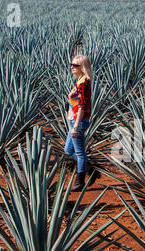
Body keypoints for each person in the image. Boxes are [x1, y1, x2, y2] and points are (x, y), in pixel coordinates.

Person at [64, 55, 92, 191]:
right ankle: (87, 166)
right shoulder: (81, 81)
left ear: (83, 67)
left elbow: (82, 106)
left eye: (75, 65)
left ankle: (79, 182)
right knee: (68, 150)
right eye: (71, 64)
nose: (72, 67)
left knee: (79, 153)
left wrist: (75, 126)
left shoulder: (83, 83)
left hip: (78, 122)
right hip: (74, 120)